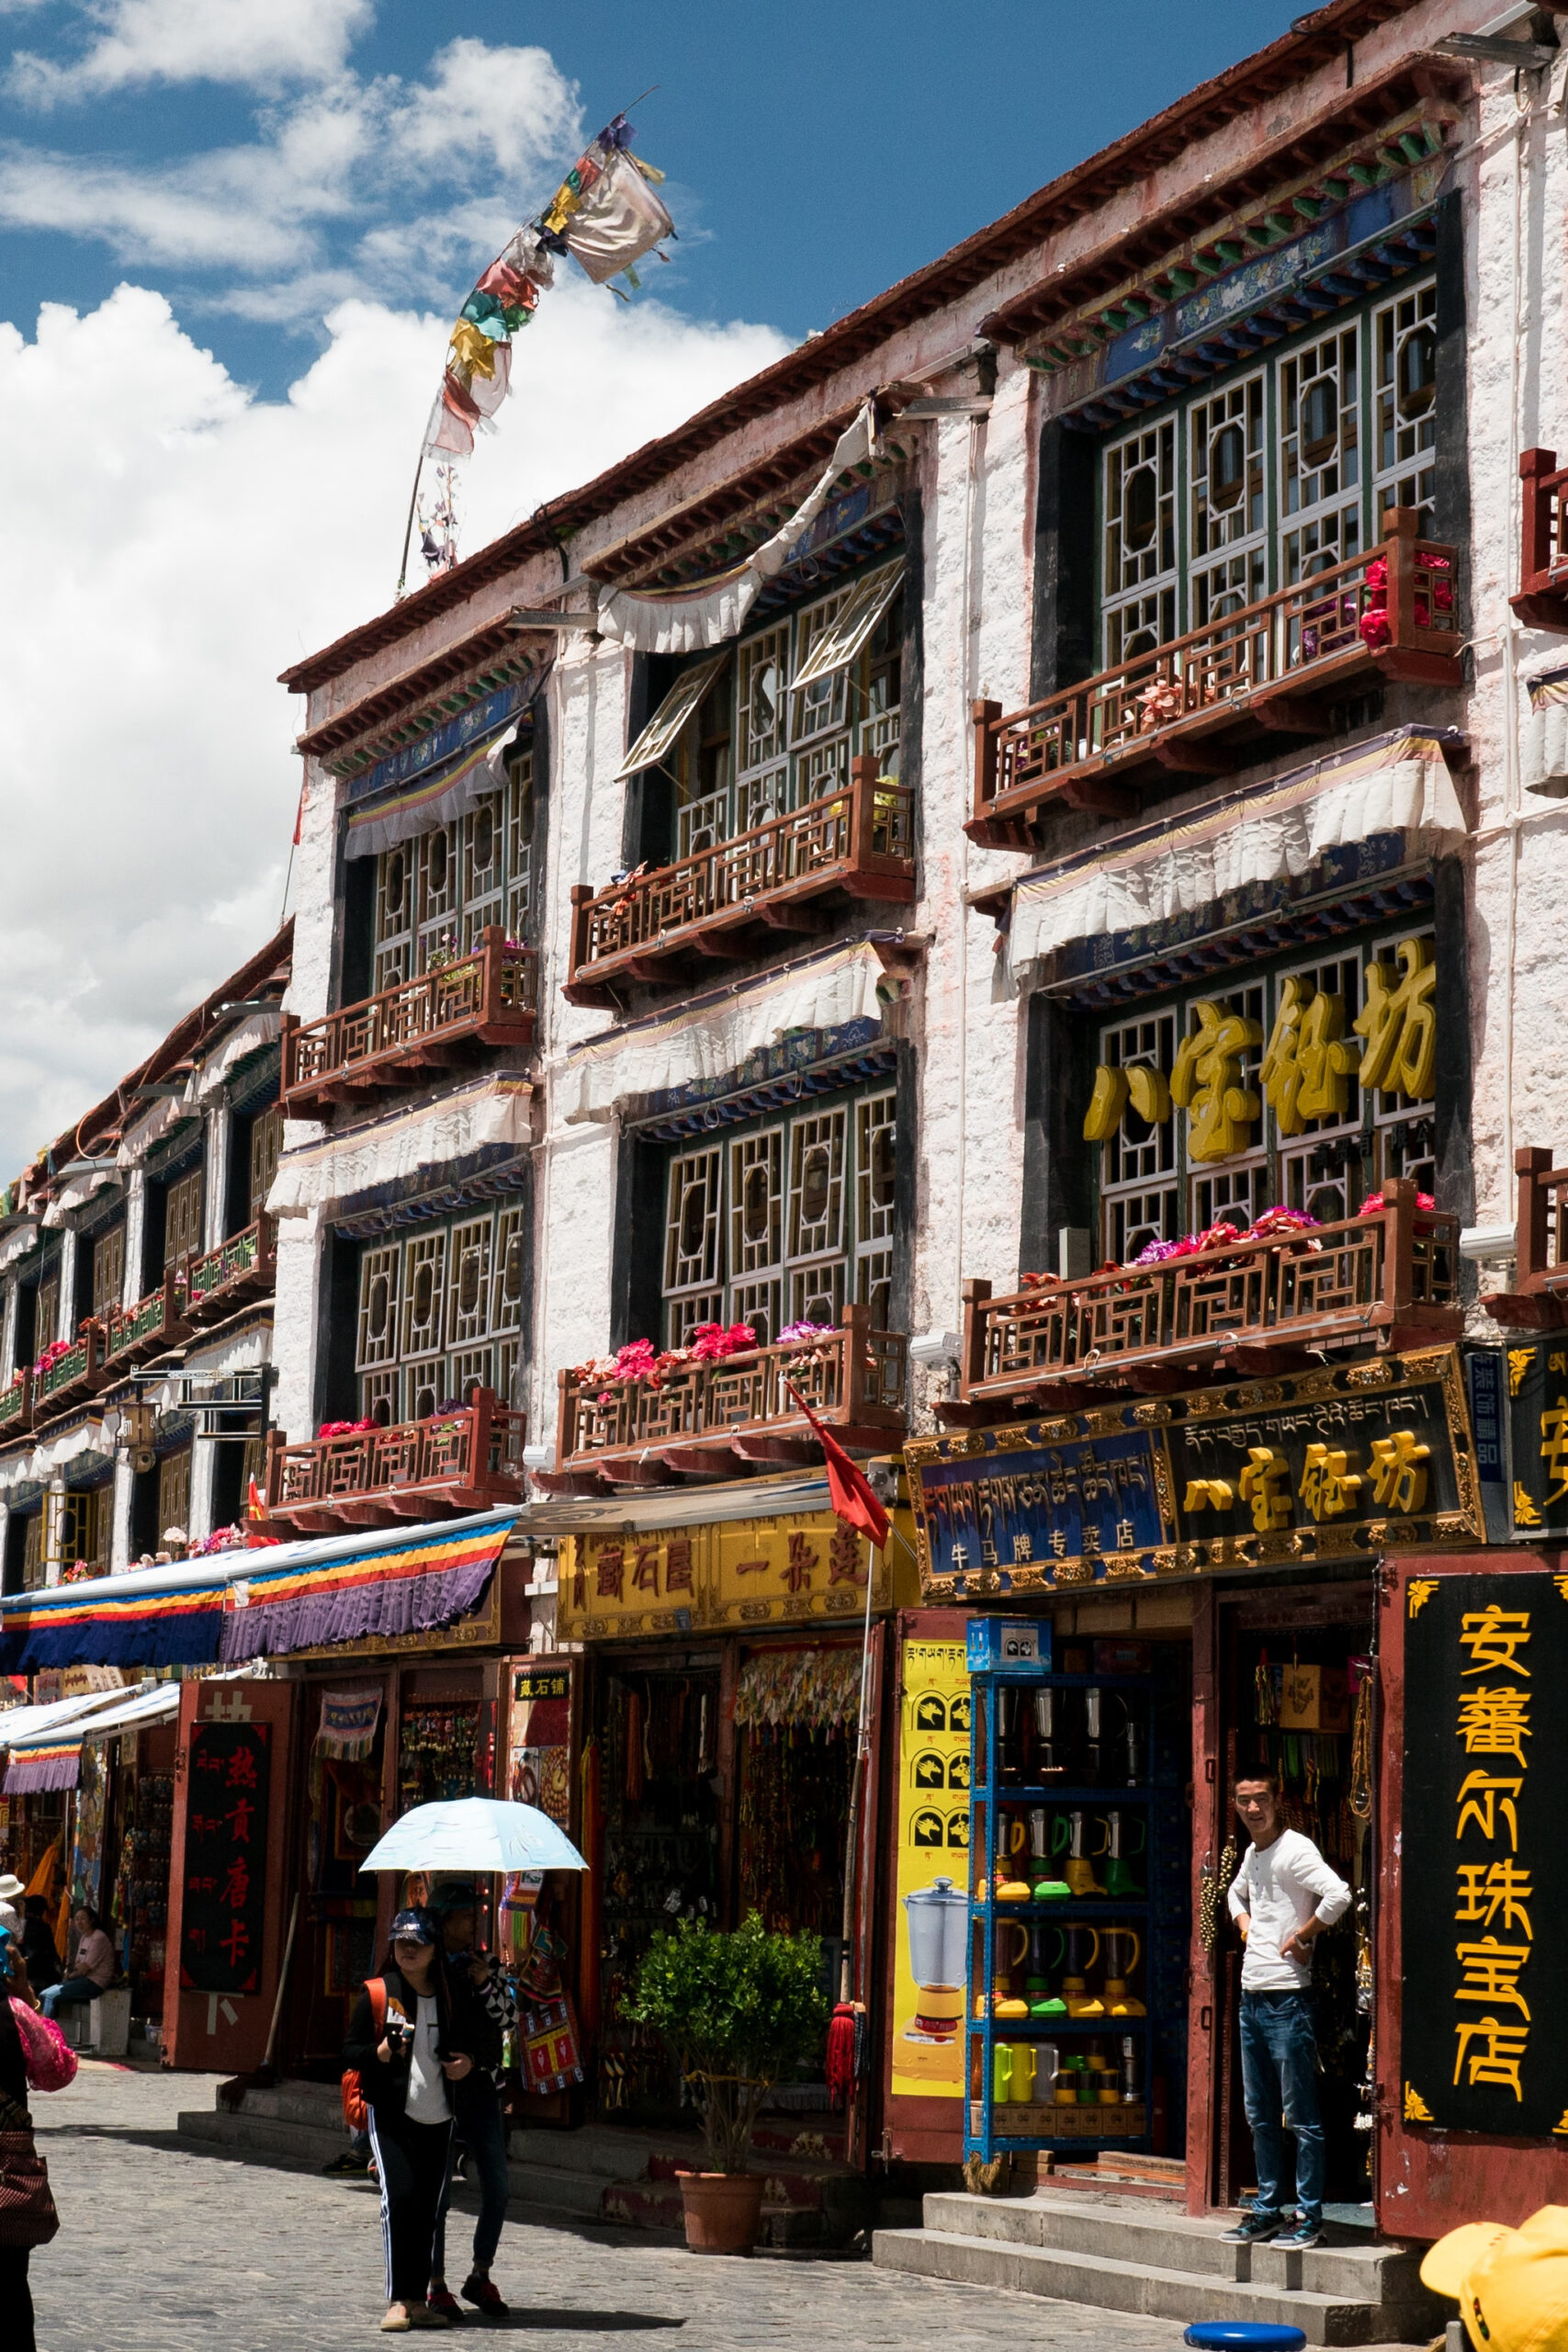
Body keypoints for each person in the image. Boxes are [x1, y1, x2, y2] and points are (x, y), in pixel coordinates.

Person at [1224, 1770, 1350, 2251]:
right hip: (1252, 1997)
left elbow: (1339, 1893)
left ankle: (1309, 2215)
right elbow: (1237, 1893)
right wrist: (1245, 1924)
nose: (1253, 1809)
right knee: (1259, 2114)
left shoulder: (1295, 1850)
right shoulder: (1254, 1855)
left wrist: (1303, 1936)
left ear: (1278, 1802)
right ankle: (1267, 2210)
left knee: (1300, 2115)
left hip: (1287, 1998)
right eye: (1244, 1801)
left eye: (1260, 1800)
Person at [343, 1906, 480, 2333]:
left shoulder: (453, 1992)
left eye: (417, 1942)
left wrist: (468, 2062)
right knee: (398, 2200)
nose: (408, 1949)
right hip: (392, 2114)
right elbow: (348, 2053)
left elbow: (482, 2040)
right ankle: (398, 2300)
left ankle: (420, 2300)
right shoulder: (379, 1994)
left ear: (435, 1948)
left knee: (428, 2208)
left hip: (439, 2115)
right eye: (400, 1941)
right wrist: (380, 2054)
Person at [426, 1885, 516, 2320]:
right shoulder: (429, 1970)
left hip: (483, 2089)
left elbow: (509, 2018)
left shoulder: (489, 1967)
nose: (472, 1924)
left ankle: (480, 2274)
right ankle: (434, 2282)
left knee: (497, 2186)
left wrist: (484, 1983)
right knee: (439, 2193)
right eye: (464, 1917)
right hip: (440, 2093)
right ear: (445, 1923)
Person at [0, 1935, 48, 2351]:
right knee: (10, 2286)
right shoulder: (15, 2013)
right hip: (9, 2164)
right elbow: (56, 2066)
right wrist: (27, 1997)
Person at [39, 1906, 114, 2020]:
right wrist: (75, 1971)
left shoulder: (99, 1937)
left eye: (83, 1918)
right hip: (81, 1979)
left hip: (94, 1983)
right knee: (43, 1994)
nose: (79, 1922)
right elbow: (77, 1964)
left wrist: (69, 1976)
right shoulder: (84, 1937)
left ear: (92, 1920)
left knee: (50, 1996)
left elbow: (84, 1968)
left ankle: (45, 2031)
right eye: (77, 1919)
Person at [17, 1901, 61, 1997]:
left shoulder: (21, 1925)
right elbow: (51, 1949)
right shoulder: (43, 1926)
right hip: (40, 1969)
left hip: (23, 1967)